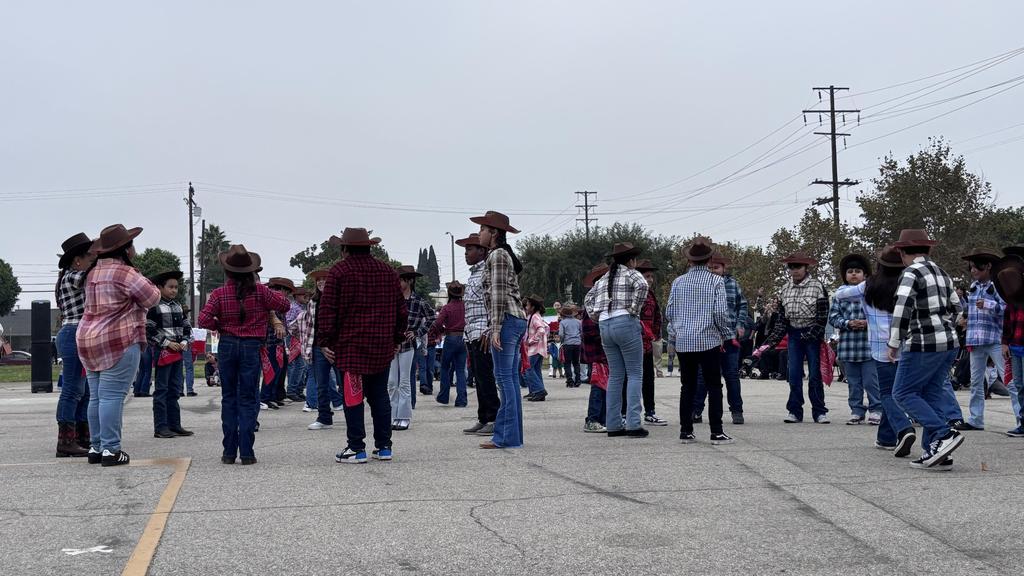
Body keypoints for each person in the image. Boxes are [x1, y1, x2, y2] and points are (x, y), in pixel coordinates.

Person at [317, 228, 407, 463]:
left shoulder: (339, 272)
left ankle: (356, 448)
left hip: (350, 347)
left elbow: (327, 311)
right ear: (369, 247)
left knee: (353, 397)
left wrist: (325, 342)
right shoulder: (388, 272)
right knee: (380, 396)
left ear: (345, 249)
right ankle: (384, 447)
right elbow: (401, 310)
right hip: (381, 345)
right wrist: (397, 339)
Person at [77, 224, 161, 467]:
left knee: (96, 397)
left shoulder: (92, 273)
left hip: (88, 338)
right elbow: (152, 298)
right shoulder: (125, 273)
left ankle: (96, 446)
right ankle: (111, 450)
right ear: (125, 249)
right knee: (112, 396)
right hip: (118, 338)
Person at [198, 245, 290, 465]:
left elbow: (203, 320)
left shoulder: (219, 294)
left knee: (229, 397)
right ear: (251, 271)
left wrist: (220, 325)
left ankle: (229, 452)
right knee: (248, 397)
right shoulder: (261, 292)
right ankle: (247, 452)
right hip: (252, 345)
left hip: (228, 344)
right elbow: (285, 304)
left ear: (227, 271)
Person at [888, 229, 966, 469]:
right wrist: (945, 326)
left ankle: (944, 434)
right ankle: (937, 451)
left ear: (902, 252)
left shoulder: (911, 272)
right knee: (932, 394)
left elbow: (902, 308)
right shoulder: (942, 273)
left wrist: (894, 341)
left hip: (923, 343)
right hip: (949, 342)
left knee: (902, 393)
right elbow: (958, 308)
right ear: (928, 249)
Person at [835, 247, 917, 457]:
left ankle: (903, 427)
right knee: (900, 390)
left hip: (881, 347)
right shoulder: (907, 283)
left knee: (887, 393)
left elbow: (840, 294)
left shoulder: (869, 286)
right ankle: (886, 437)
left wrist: (862, 286)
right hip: (907, 344)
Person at [666, 237, 733, 445]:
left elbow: (670, 311)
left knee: (687, 386)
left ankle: (686, 431)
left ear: (689, 261)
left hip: (684, 341)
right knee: (714, 385)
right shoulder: (716, 281)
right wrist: (726, 334)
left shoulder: (678, 282)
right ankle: (716, 432)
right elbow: (720, 312)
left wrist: (676, 332)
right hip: (708, 339)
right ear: (709, 259)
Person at [472, 211, 528, 449]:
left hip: (506, 320)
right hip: (513, 319)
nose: (479, 234)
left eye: (482, 229)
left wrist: (495, 328)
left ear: (493, 232)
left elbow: (498, 293)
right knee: (510, 379)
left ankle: (506, 436)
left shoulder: (497, 256)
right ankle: (511, 435)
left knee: (504, 379)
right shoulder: (502, 254)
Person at [754, 252, 830, 423]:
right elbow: (782, 320)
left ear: (806, 268)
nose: (795, 270)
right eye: (791, 267)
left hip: (812, 333)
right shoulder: (785, 288)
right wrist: (770, 343)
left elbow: (822, 316)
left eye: (798, 267)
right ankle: (794, 411)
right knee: (794, 374)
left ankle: (819, 411)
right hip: (794, 334)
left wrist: (812, 334)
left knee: (814, 374)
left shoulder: (817, 287)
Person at [585, 242, 649, 438]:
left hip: (605, 324)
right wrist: (634, 309)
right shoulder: (631, 273)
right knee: (635, 374)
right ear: (631, 260)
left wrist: (595, 315)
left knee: (615, 375)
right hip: (625, 322)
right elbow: (643, 286)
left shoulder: (603, 278)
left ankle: (613, 424)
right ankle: (633, 424)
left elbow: (588, 298)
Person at [54, 232, 96, 457]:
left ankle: (79, 436)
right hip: (73, 333)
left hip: (78, 334)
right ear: (77, 261)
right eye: (89, 257)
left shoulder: (70, 276)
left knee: (84, 389)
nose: (93, 260)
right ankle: (66, 440)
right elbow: (89, 278)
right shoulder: (73, 276)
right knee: (72, 389)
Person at [693, 252, 748, 425]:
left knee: (731, 375)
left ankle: (737, 411)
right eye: (709, 268)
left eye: (716, 267)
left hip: (729, 337)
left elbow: (743, 306)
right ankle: (696, 410)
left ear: (724, 268)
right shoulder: (701, 285)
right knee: (702, 376)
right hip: (707, 337)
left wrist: (740, 324)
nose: (713, 270)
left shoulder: (733, 284)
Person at [955, 248, 1006, 432]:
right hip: (976, 340)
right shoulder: (973, 287)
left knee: (1008, 379)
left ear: (988, 266)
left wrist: (988, 304)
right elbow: (971, 311)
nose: (973, 271)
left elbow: (1007, 308)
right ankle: (976, 419)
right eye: (971, 268)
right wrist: (965, 321)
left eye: (977, 267)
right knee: (976, 382)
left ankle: (1020, 419)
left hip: (994, 339)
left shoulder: (997, 285)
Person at [829, 254, 881, 425]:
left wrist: (868, 323)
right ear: (845, 275)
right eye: (850, 271)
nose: (853, 274)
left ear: (865, 275)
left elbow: (881, 314)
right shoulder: (839, 295)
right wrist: (848, 323)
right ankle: (856, 410)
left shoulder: (872, 292)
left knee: (871, 381)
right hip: (848, 346)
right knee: (853, 383)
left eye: (857, 271)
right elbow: (833, 318)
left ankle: (876, 410)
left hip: (869, 346)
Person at [458, 233, 501, 436]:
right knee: (478, 377)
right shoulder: (474, 274)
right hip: (471, 332)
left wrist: (489, 329)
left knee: (486, 377)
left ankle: (493, 417)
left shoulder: (487, 271)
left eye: (470, 249)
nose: (466, 253)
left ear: (482, 251)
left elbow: (493, 301)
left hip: (482, 331)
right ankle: (483, 417)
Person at [146, 270, 194, 439]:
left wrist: (185, 341)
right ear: (160, 288)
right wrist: (167, 343)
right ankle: (160, 427)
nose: (174, 290)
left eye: (176, 287)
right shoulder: (154, 307)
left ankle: (175, 424)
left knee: (175, 389)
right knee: (162, 389)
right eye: (170, 287)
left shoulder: (179, 306)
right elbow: (149, 330)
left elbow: (186, 327)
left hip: (178, 352)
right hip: (163, 352)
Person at [390, 265, 434, 430]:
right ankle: (392, 416)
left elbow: (431, 317)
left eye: (400, 280)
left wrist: (417, 332)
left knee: (404, 382)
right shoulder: (392, 299)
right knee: (391, 382)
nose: (398, 283)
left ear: (409, 281)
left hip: (408, 346)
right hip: (391, 345)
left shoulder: (418, 301)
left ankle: (403, 416)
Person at [301, 268, 344, 429]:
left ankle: (352, 414)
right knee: (321, 384)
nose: (321, 282)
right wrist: (307, 347)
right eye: (318, 280)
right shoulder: (313, 302)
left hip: (338, 346)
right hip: (318, 347)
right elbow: (308, 326)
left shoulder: (339, 299)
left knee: (345, 383)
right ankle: (324, 417)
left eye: (324, 279)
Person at [635, 259, 667, 426]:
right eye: (647, 276)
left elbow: (656, 315)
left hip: (648, 342)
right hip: (635, 341)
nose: (650, 280)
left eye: (651, 276)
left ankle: (650, 412)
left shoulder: (650, 294)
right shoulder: (635, 293)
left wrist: (656, 333)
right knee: (633, 378)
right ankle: (627, 413)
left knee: (648, 378)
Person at [997, 243, 1024, 437]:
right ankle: (1023, 422)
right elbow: (1007, 320)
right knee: (1019, 385)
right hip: (1016, 345)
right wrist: (1005, 342)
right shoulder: (1012, 293)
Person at [429, 281, 468, 407]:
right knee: (460, 370)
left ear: (449, 294)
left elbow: (437, 323)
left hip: (450, 338)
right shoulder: (465, 306)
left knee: (445, 367)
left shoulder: (447, 308)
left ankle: (444, 396)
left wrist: (439, 332)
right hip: (463, 338)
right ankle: (462, 400)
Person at [581, 264, 609, 432]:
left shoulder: (603, 301)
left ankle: (603, 418)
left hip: (605, 352)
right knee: (599, 386)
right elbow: (588, 330)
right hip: (598, 353)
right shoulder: (592, 302)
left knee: (606, 387)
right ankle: (592, 419)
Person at [259, 277, 294, 409]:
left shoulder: (277, 303)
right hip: (270, 342)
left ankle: (272, 396)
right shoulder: (271, 303)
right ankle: (265, 397)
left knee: (278, 369)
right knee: (271, 370)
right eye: (287, 292)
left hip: (278, 342)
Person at [285, 287, 311, 403]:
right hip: (294, 338)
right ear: (296, 296)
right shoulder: (294, 308)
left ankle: (297, 390)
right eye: (303, 295)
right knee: (298, 365)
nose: (306, 297)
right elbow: (289, 324)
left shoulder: (301, 307)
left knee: (301, 366)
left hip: (299, 338)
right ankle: (292, 390)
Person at [522, 295, 550, 402]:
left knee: (528, 368)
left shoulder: (534, 317)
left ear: (533, 307)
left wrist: (531, 340)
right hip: (539, 348)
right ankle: (537, 392)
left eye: (527, 305)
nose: (526, 307)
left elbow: (541, 330)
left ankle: (539, 390)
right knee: (536, 370)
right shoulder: (536, 316)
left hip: (535, 348)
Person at [558, 306, 582, 387]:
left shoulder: (562, 322)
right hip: (577, 343)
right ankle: (578, 380)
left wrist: (562, 341)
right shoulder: (578, 322)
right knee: (576, 362)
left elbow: (561, 334)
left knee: (567, 363)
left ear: (563, 315)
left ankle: (570, 380)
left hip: (567, 344)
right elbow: (581, 332)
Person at [181, 305, 197, 397]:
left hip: (177, 345)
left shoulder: (176, 320)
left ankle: (180, 389)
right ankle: (189, 389)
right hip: (186, 345)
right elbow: (191, 336)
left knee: (179, 368)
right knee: (189, 368)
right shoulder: (186, 322)